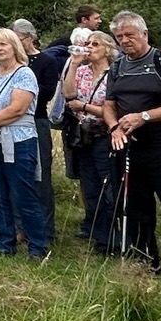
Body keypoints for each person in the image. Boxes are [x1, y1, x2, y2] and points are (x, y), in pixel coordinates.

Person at [103, 12, 161, 271]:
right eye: (119, 36)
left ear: (144, 34)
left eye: (130, 35)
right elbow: (108, 105)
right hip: (131, 147)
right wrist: (114, 128)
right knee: (137, 209)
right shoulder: (117, 67)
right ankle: (147, 262)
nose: (125, 40)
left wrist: (145, 117)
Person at [0, 28, 48, 260]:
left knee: (23, 194)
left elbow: (17, 109)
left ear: (14, 46)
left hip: (18, 141)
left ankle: (37, 245)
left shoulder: (25, 74)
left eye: (4, 44)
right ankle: (5, 242)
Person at [57, 28, 116, 249]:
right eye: (88, 44)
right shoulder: (81, 71)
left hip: (104, 135)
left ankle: (111, 234)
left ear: (107, 50)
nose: (89, 48)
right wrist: (73, 64)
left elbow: (114, 111)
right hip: (82, 136)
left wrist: (84, 106)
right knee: (89, 185)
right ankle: (95, 228)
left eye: (95, 45)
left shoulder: (114, 74)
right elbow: (68, 94)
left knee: (107, 183)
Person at [18, 19, 66, 233]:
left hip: (37, 120)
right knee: (18, 174)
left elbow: (47, 92)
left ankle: (46, 228)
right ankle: (20, 226)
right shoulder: (12, 61)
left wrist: (24, 85)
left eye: (18, 40)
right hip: (12, 122)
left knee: (41, 174)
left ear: (29, 38)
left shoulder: (46, 60)